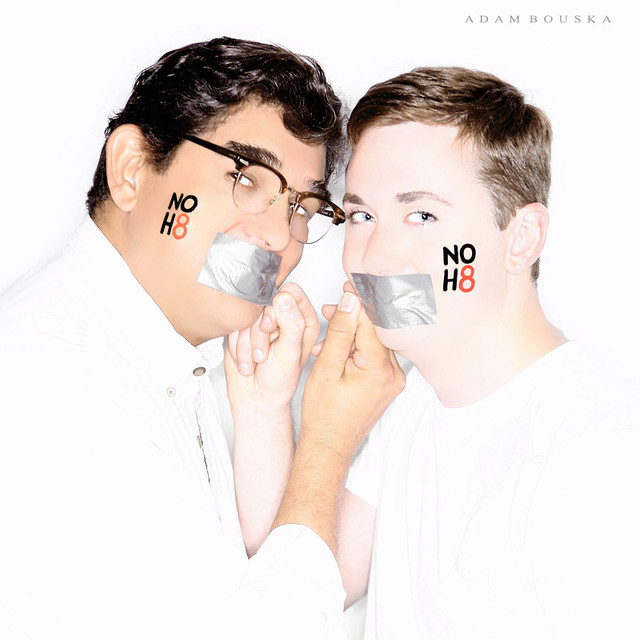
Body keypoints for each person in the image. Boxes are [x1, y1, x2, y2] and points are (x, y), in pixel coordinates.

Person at [0, 37, 405, 639]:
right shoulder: (58, 381)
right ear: (131, 169)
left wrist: (264, 414)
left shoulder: (151, 358)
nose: (279, 236)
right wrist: (326, 440)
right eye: (247, 178)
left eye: (301, 207)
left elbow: (238, 594)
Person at [323, 67, 640, 639]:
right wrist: (268, 405)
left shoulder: (596, 457)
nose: (376, 255)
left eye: (422, 215)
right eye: (362, 215)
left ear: (521, 238)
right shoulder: (409, 399)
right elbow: (308, 585)